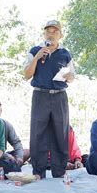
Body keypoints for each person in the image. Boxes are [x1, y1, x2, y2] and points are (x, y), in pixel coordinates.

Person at [23, 19, 75, 179]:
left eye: (55, 31)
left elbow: (72, 76)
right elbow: (26, 74)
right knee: (38, 132)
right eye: (48, 31)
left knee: (61, 132)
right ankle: (38, 171)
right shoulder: (35, 50)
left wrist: (69, 76)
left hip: (59, 96)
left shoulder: (65, 54)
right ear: (44, 33)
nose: (51, 34)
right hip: (40, 95)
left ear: (60, 35)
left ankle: (59, 171)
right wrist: (37, 58)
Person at [0, 97, 24, 167]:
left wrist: (19, 157)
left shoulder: (6, 124)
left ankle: (15, 163)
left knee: (27, 152)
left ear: (1, 109)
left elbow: (16, 142)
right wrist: (6, 155)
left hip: (4, 154)